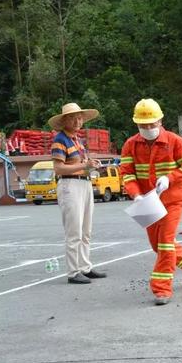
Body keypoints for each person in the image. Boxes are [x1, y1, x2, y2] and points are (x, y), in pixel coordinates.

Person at [119, 98, 182, 305]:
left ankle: (161, 289)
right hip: (147, 203)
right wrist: (135, 194)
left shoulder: (175, 141)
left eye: (152, 124)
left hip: (173, 200)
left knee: (165, 243)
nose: (148, 128)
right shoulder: (130, 145)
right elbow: (127, 174)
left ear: (160, 121)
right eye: (143, 125)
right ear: (136, 124)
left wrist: (170, 178)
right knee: (158, 246)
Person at [49, 103, 107, 284]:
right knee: (74, 231)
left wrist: (91, 163)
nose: (77, 121)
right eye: (73, 117)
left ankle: (85, 267)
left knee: (85, 230)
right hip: (69, 185)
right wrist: (85, 165)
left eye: (80, 117)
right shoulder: (60, 140)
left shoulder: (77, 140)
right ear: (64, 120)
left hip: (83, 183)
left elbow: (80, 164)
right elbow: (58, 168)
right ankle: (73, 271)